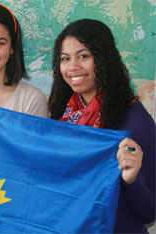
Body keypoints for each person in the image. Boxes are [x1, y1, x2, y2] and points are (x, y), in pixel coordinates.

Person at [48, 18, 155, 233]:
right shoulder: (62, 113)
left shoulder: (136, 122)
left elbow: (150, 213)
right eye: (65, 58)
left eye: (84, 56)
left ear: (104, 59)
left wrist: (132, 179)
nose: (72, 67)